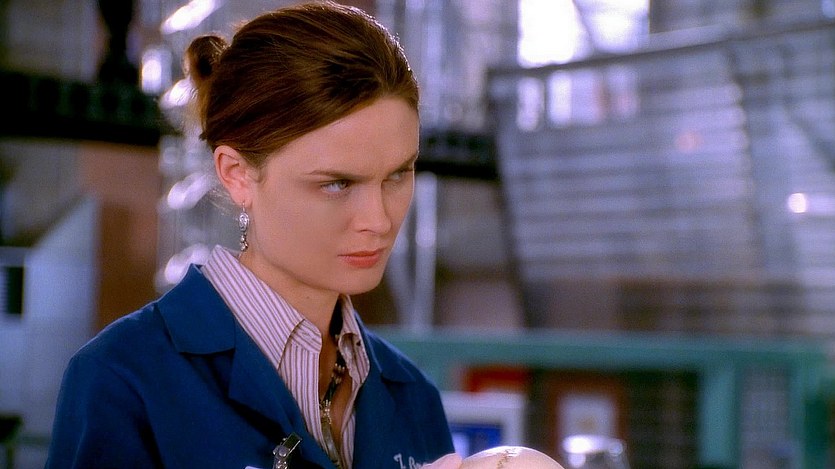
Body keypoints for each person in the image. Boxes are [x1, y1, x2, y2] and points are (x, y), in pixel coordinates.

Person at [46, 2, 459, 468]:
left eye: (398, 175)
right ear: (237, 174)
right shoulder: (125, 380)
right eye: (337, 184)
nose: (379, 220)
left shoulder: (413, 396)